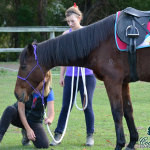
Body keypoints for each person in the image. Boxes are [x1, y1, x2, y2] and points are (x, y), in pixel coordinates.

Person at [50, 3, 96, 147]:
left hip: (87, 75)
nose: (70, 24)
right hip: (71, 76)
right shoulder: (66, 34)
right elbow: (64, 58)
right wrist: (62, 76)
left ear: (79, 18)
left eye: (72, 21)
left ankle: (90, 135)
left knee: (87, 105)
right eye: (68, 21)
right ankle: (58, 134)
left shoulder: (87, 32)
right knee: (66, 106)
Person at [0, 71, 55, 149]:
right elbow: (21, 109)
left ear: (47, 78)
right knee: (10, 109)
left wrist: (50, 119)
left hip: (34, 121)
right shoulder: (25, 88)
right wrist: (28, 129)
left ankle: (26, 135)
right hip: (19, 116)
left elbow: (51, 113)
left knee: (44, 145)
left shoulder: (49, 92)